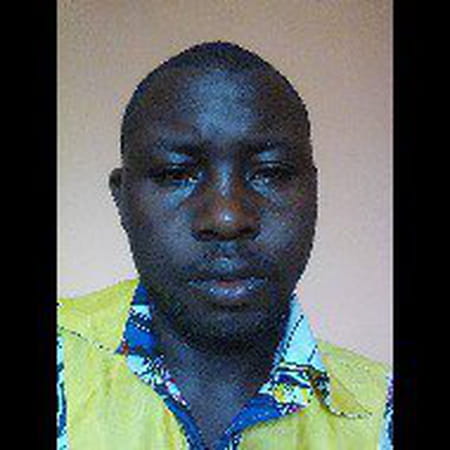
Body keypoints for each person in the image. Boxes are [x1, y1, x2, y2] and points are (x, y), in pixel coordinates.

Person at [57, 41, 393, 450]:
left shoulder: (382, 414)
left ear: (314, 192)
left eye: (270, 172)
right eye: (176, 174)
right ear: (121, 200)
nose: (227, 218)